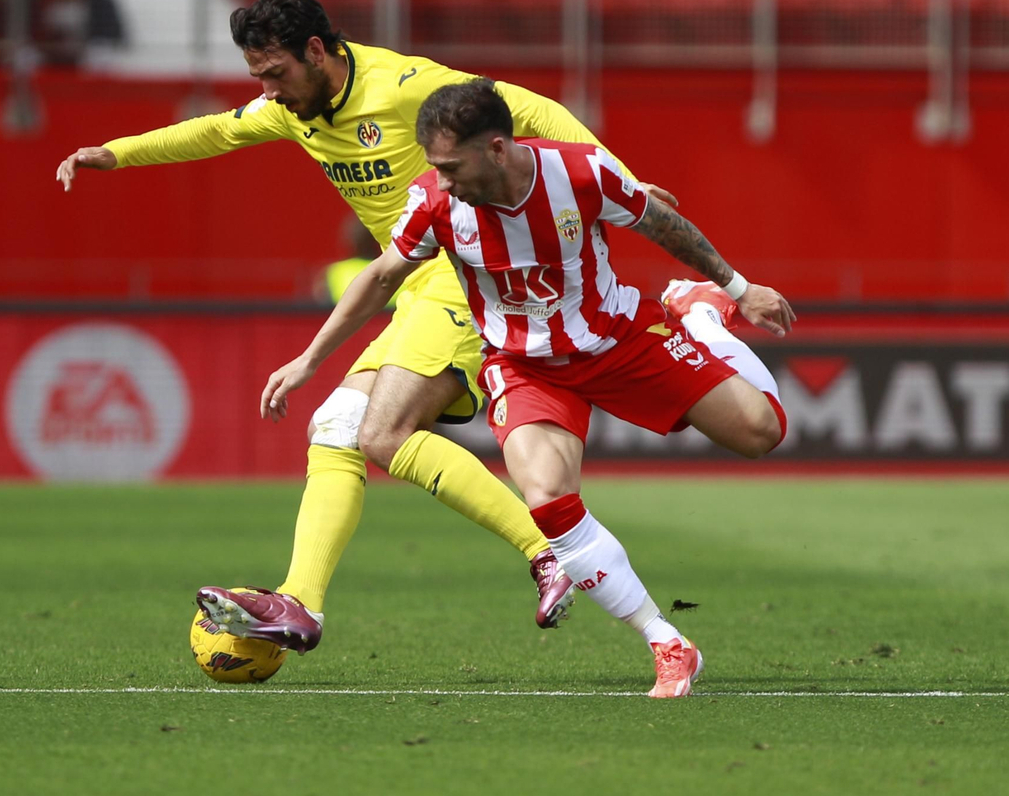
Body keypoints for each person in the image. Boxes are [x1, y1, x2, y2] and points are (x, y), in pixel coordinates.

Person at [54, 0, 678, 652]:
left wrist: (621, 180)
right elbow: (216, 130)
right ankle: (302, 602)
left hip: (465, 274)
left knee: (379, 430)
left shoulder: (401, 83)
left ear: (316, 50)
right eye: (258, 76)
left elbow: (526, 108)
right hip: (416, 285)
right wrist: (118, 152)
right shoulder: (291, 111)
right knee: (336, 428)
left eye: (276, 73)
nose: (268, 90)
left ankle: (546, 549)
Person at [258, 79, 795, 699]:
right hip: (525, 366)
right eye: (435, 166)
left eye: (452, 166)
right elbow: (380, 278)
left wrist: (737, 289)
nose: (444, 179)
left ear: (497, 148)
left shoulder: (581, 173)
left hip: (619, 340)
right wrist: (308, 360)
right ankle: (667, 642)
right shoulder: (435, 204)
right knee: (547, 499)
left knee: (761, 433)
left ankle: (695, 313)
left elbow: (662, 224)